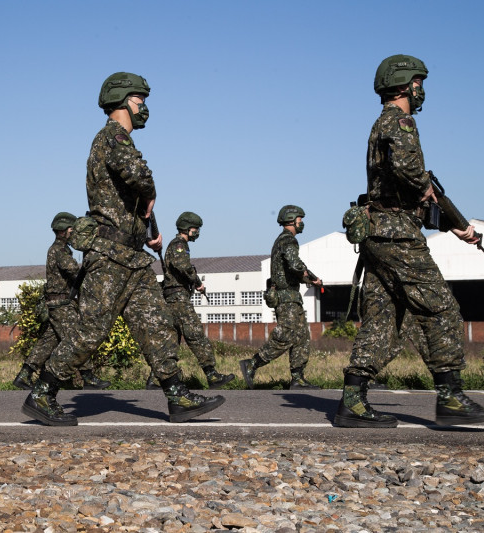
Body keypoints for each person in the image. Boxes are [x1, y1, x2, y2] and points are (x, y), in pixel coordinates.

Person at [21, 72, 225, 426]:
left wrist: (149, 230)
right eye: (139, 99)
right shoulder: (112, 137)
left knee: (157, 323)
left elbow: (131, 197)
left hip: (132, 257)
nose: (144, 106)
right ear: (121, 101)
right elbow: (138, 175)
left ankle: (177, 396)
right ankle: (42, 393)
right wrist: (151, 193)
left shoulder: (115, 139)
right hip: (110, 256)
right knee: (92, 330)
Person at [334, 55, 484, 428]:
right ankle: (451, 397)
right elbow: (410, 173)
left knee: (383, 321)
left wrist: (453, 224)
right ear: (403, 84)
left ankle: (352, 402)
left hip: (379, 233)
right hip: (396, 235)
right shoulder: (400, 121)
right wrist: (429, 191)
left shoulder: (381, 123)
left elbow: (400, 188)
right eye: (418, 82)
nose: (421, 89)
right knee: (440, 308)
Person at [12, 212, 111, 391]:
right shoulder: (59, 250)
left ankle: (24, 375)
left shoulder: (60, 249)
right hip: (61, 305)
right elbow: (74, 270)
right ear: (64, 231)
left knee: (47, 342)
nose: (74, 234)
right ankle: (88, 376)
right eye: (72, 230)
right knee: (77, 339)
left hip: (58, 304)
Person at [145, 211, 234, 389]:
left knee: (170, 340)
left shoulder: (176, 245)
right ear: (188, 228)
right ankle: (211, 375)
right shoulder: (179, 245)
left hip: (173, 297)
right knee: (195, 334)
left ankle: (154, 380)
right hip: (178, 297)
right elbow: (183, 266)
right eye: (196, 229)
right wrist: (197, 281)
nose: (197, 232)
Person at [239, 205, 322, 390]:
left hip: (292, 296)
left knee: (301, 337)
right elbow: (295, 265)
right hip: (286, 297)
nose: (302, 223)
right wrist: (313, 279)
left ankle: (298, 379)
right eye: (300, 220)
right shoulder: (288, 240)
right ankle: (252, 364)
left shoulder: (283, 240)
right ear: (292, 220)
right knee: (286, 335)